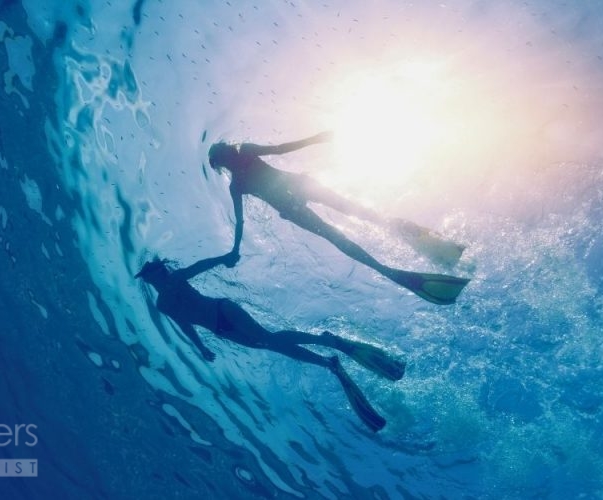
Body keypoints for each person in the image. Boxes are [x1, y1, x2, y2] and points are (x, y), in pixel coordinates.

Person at [137, 254, 405, 432]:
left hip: (224, 311)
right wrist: (201, 347)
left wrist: (225, 257)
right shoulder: (162, 304)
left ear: (161, 270)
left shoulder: (176, 278)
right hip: (220, 329)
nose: (154, 276)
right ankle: (328, 362)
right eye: (150, 276)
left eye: (155, 271)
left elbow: (201, 266)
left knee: (268, 338)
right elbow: (185, 324)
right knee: (270, 344)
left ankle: (326, 341)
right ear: (149, 280)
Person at [207, 132, 470, 305]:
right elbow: (280, 151)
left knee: (349, 219)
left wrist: (316, 139)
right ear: (224, 160)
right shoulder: (238, 180)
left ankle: (391, 263)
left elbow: (280, 149)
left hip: (296, 194)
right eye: (225, 156)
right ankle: (388, 269)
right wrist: (234, 249)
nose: (229, 157)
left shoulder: (243, 163)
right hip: (295, 197)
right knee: (343, 227)